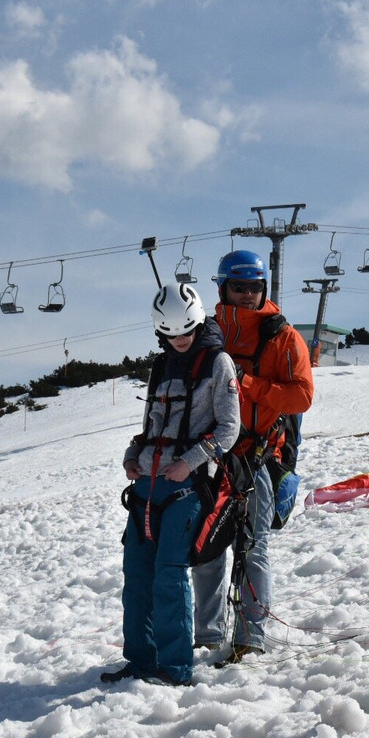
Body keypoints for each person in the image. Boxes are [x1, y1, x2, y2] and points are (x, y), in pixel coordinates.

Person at [102, 284, 240, 686]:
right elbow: (150, 425)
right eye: (171, 334)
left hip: (186, 486)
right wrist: (132, 454)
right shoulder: (161, 365)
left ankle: (175, 667)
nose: (180, 340)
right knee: (137, 575)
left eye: (187, 332)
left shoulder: (219, 363)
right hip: (146, 485)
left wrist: (189, 463)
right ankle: (141, 661)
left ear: (197, 323)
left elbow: (229, 428)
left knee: (169, 573)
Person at [192, 249, 314, 663]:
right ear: (223, 289)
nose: (247, 294)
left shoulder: (284, 338)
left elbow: (301, 397)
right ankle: (207, 637)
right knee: (207, 548)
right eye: (239, 286)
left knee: (252, 547)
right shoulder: (207, 332)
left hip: (256, 457)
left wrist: (248, 384)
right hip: (210, 457)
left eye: (254, 287)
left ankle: (250, 639)